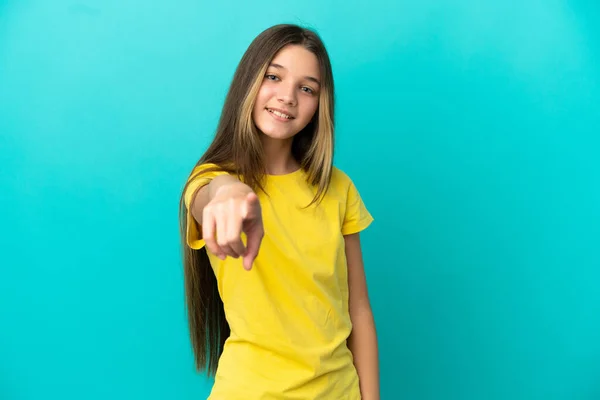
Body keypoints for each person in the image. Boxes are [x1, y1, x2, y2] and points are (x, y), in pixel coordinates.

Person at [179, 23, 380, 399]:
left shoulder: (338, 188)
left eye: (307, 88)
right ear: (249, 82)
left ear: (320, 104)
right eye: (274, 76)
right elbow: (208, 194)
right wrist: (227, 192)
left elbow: (359, 309)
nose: (288, 96)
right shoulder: (210, 180)